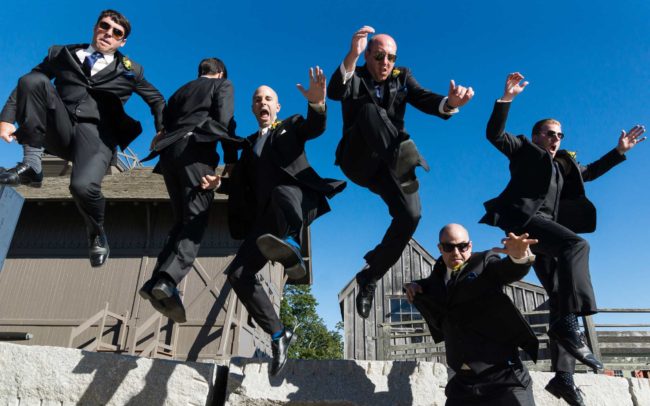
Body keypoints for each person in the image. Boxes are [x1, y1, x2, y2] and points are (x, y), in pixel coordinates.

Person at [480, 72, 646, 405]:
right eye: (550, 134)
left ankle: (564, 377)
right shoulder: (525, 151)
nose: (555, 139)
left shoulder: (565, 166)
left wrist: (619, 151)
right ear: (536, 136)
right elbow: (495, 135)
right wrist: (506, 100)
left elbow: (592, 171)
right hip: (527, 222)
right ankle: (571, 325)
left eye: (560, 135)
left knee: (558, 295)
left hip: (546, 234)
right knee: (577, 245)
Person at [201, 67, 346, 376]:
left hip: (292, 202)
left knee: (283, 189)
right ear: (253, 108)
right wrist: (218, 185)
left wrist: (318, 103)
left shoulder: (291, 126)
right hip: (263, 221)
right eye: (257, 100)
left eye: (268, 98)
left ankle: (293, 245)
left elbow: (314, 127)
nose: (262, 102)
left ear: (277, 106)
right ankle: (279, 334)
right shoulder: (248, 144)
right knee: (239, 274)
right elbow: (242, 185)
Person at [327, 26, 474, 319]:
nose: (385, 63)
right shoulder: (354, 75)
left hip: (389, 168)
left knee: (411, 215)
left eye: (391, 58)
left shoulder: (402, 76)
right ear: (368, 54)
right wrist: (351, 56)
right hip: (359, 159)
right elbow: (335, 91)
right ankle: (403, 157)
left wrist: (450, 105)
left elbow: (424, 97)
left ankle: (370, 277)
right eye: (379, 56)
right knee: (369, 111)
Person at [0, 9, 165, 267]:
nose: (108, 34)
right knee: (34, 80)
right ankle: (32, 164)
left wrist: (162, 131)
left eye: (116, 33)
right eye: (105, 26)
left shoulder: (131, 70)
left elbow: (156, 100)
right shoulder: (62, 53)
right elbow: (26, 83)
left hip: (97, 137)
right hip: (61, 127)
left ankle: (96, 231)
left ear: (122, 41)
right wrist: (7, 119)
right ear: (96, 27)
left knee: (82, 188)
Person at [138, 57, 239, 323]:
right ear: (219, 73)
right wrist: (231, 158)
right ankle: (169, 279)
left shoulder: (180, 91)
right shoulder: (223, 86)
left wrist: (161, 132)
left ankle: (156, 281)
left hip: (169, 156)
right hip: (196, 154)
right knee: (194, 221)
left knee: (181, 220)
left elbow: (164, 115)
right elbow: (225, 121)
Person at [404, 223, 538, 406]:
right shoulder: (436, 277)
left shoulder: (484, 262)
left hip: (503, 379)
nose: (456, 252)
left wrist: (519, 258)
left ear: (470, 246)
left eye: (462, 246)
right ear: (440, 248)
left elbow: (505, 270)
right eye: (449, 247)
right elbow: (426, 285)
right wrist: (412, 285)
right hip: (462, 385)